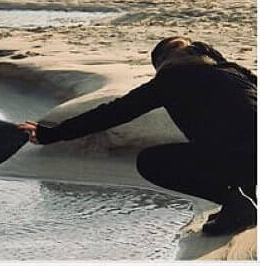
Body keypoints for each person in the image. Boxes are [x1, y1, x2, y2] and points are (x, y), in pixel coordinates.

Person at [18, 36, 257, 236]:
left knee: (152, 162)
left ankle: (237, 204)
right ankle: (238, 206)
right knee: (229, 138)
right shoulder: (237, 73)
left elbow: (113, 113)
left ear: (163, 63)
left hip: (239, 154)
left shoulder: (172, 79)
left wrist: (51, 134)